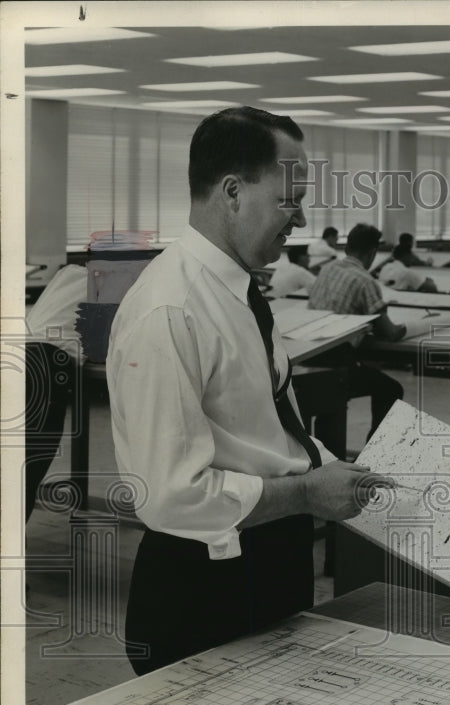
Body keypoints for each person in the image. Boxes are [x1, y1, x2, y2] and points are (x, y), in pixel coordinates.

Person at [107, 107, 392, 675]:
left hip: (271, 561)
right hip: (203, 587)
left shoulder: (239, 294)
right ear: (232, 192)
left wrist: (341, 473)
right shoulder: (169, 310)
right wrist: (310, 494)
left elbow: (266, 431)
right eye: (290, 199)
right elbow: (170, 495)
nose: (302, 217)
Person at [306, 223, 406, 453]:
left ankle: (327, 454)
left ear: (347, 246)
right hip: (337, 365)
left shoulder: (327, 269)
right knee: (391, 389)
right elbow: (389, 333)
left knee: (329, 399)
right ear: (372, 253)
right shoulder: (365, 281)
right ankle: (375, 452)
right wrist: (408, 328)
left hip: (309, 359)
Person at [24, 263, 87, 520]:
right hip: (45, 365)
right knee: (26, 468)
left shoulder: (68, 272)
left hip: (17, 354)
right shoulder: (121, 282)